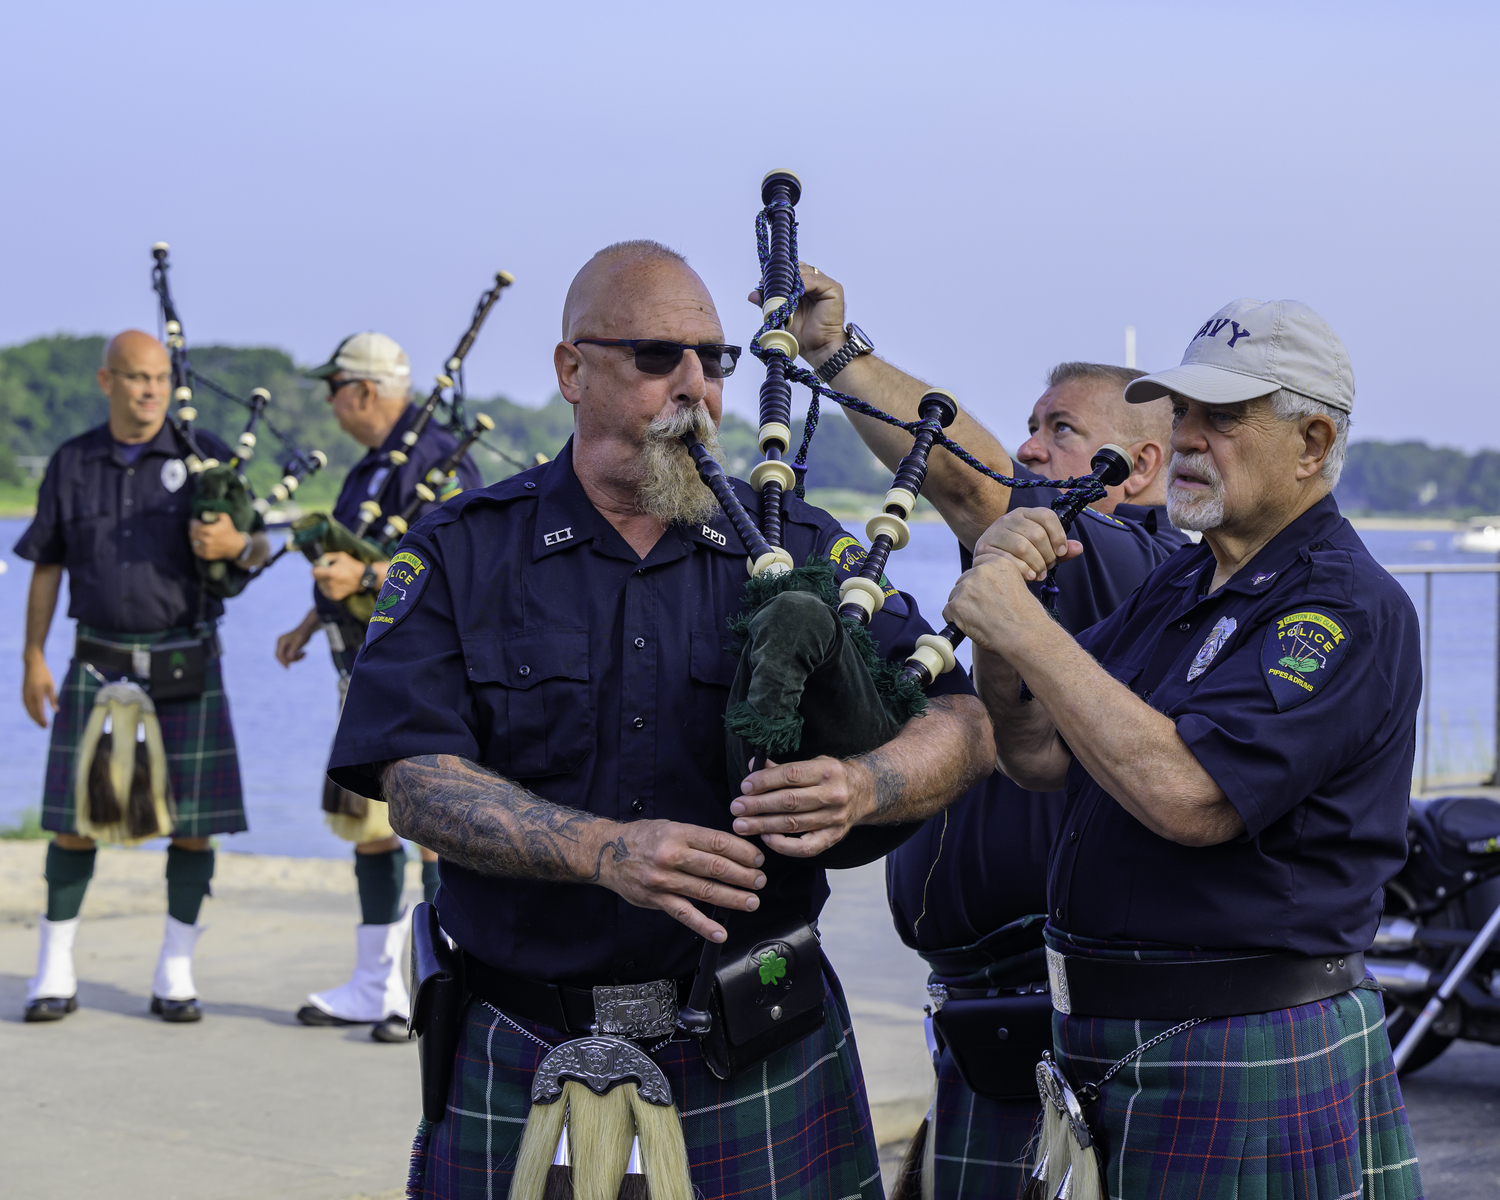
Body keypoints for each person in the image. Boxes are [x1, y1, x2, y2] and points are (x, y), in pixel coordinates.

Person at [326, 240, 995, 1200]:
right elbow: (415, 779)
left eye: (715, 360)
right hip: (523, 1041)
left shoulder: (799, 545)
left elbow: (962, 720)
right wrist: (601, 850)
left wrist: (866, 785)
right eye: (656, 357)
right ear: (571, 369)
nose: (697, 387)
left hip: (756, 1041)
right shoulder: (461, 552)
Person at [944, 298, 1423, 1197]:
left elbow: (1192, 798)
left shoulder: (1345, 609)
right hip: (1114, 1044)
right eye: (1183, 411)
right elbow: (1037, 754)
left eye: (1222, 417)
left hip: (1244, 1052)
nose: (1187, 436)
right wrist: (1004, 622)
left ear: (1312, 444)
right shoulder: (1182, 581)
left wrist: (1028, 634)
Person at [764, 265, 1185, 1196]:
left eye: (1060, 430)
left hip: (1060, 1028)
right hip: (978, 1022)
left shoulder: (1132, 560)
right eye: (1030, 425)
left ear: (1143, 468)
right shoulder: (1043, 562)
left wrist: (834, 353)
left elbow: (962, 478)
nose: (1030, 450)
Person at [16, 329, 270, 1023]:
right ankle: (54, 968)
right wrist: (32, 655)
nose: (150, 389)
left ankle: (176, 970)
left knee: (192, 825)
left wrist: (238, 544)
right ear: (107, 383)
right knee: (73, 819)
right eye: (134, 378)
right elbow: (46, 563)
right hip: (95, 661)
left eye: (159, 377)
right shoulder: (72, 463)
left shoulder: (206, 453)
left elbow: (258, 547)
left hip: (186, 661)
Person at [273, 331, 482, 1042]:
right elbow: (352, 550)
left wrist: (362, 580)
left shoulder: (439, 462)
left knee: (427, 834)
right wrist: (311, 618)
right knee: (368, 834)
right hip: (359, 668)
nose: (330, 404)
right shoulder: (369, 467)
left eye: (334, 389)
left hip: (420, 679)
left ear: (362, 391)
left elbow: (465, 566)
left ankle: (436, 985)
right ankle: (373, 986)